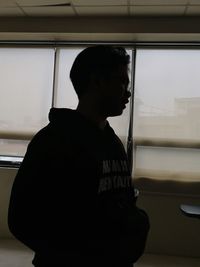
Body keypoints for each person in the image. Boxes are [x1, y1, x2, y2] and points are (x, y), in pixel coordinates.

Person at [8, 45, 149, 267]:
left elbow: (122, 203)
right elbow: (21, 220)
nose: (128, 92)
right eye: (121, 81)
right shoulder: (52, 142)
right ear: (97, 81)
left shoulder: (113, 143)